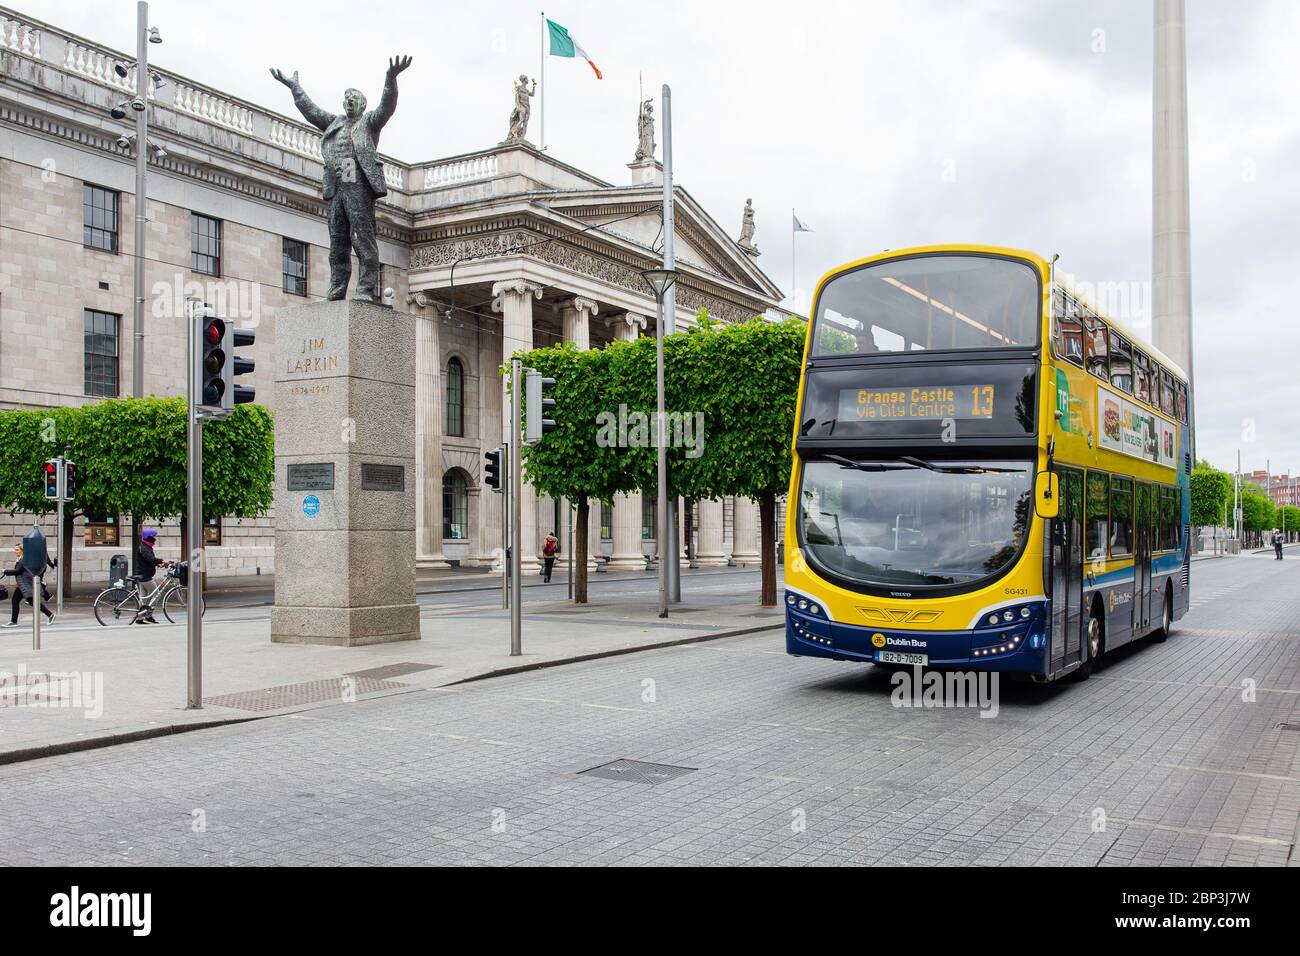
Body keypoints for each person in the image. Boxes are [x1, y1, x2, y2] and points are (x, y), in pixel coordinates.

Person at [2, 543, 56, 627]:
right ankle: (50, 615)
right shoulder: (21, 559)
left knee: (24, 601)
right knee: (26, 601)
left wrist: (5, 571)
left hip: (25, 585)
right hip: (23, 584)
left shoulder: (23, 560)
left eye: (17, 550)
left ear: (22, 551)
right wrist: (17, 583)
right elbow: (23, 574)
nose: (15, 551)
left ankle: (14, 621)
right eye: (15, 549)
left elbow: (18, 571)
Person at [136, 528, 172, 624]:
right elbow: (150, 558)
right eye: (153, 537)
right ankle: (148, 615)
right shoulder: (144, 548)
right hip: (145, 576)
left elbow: (148, 561)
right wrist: (162, 561)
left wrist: (157, 564)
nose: (154, 539)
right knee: (157, 594)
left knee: (145, 598)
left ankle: (140, 618)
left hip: (143, 574)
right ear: (148, 537)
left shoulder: (145, 547)